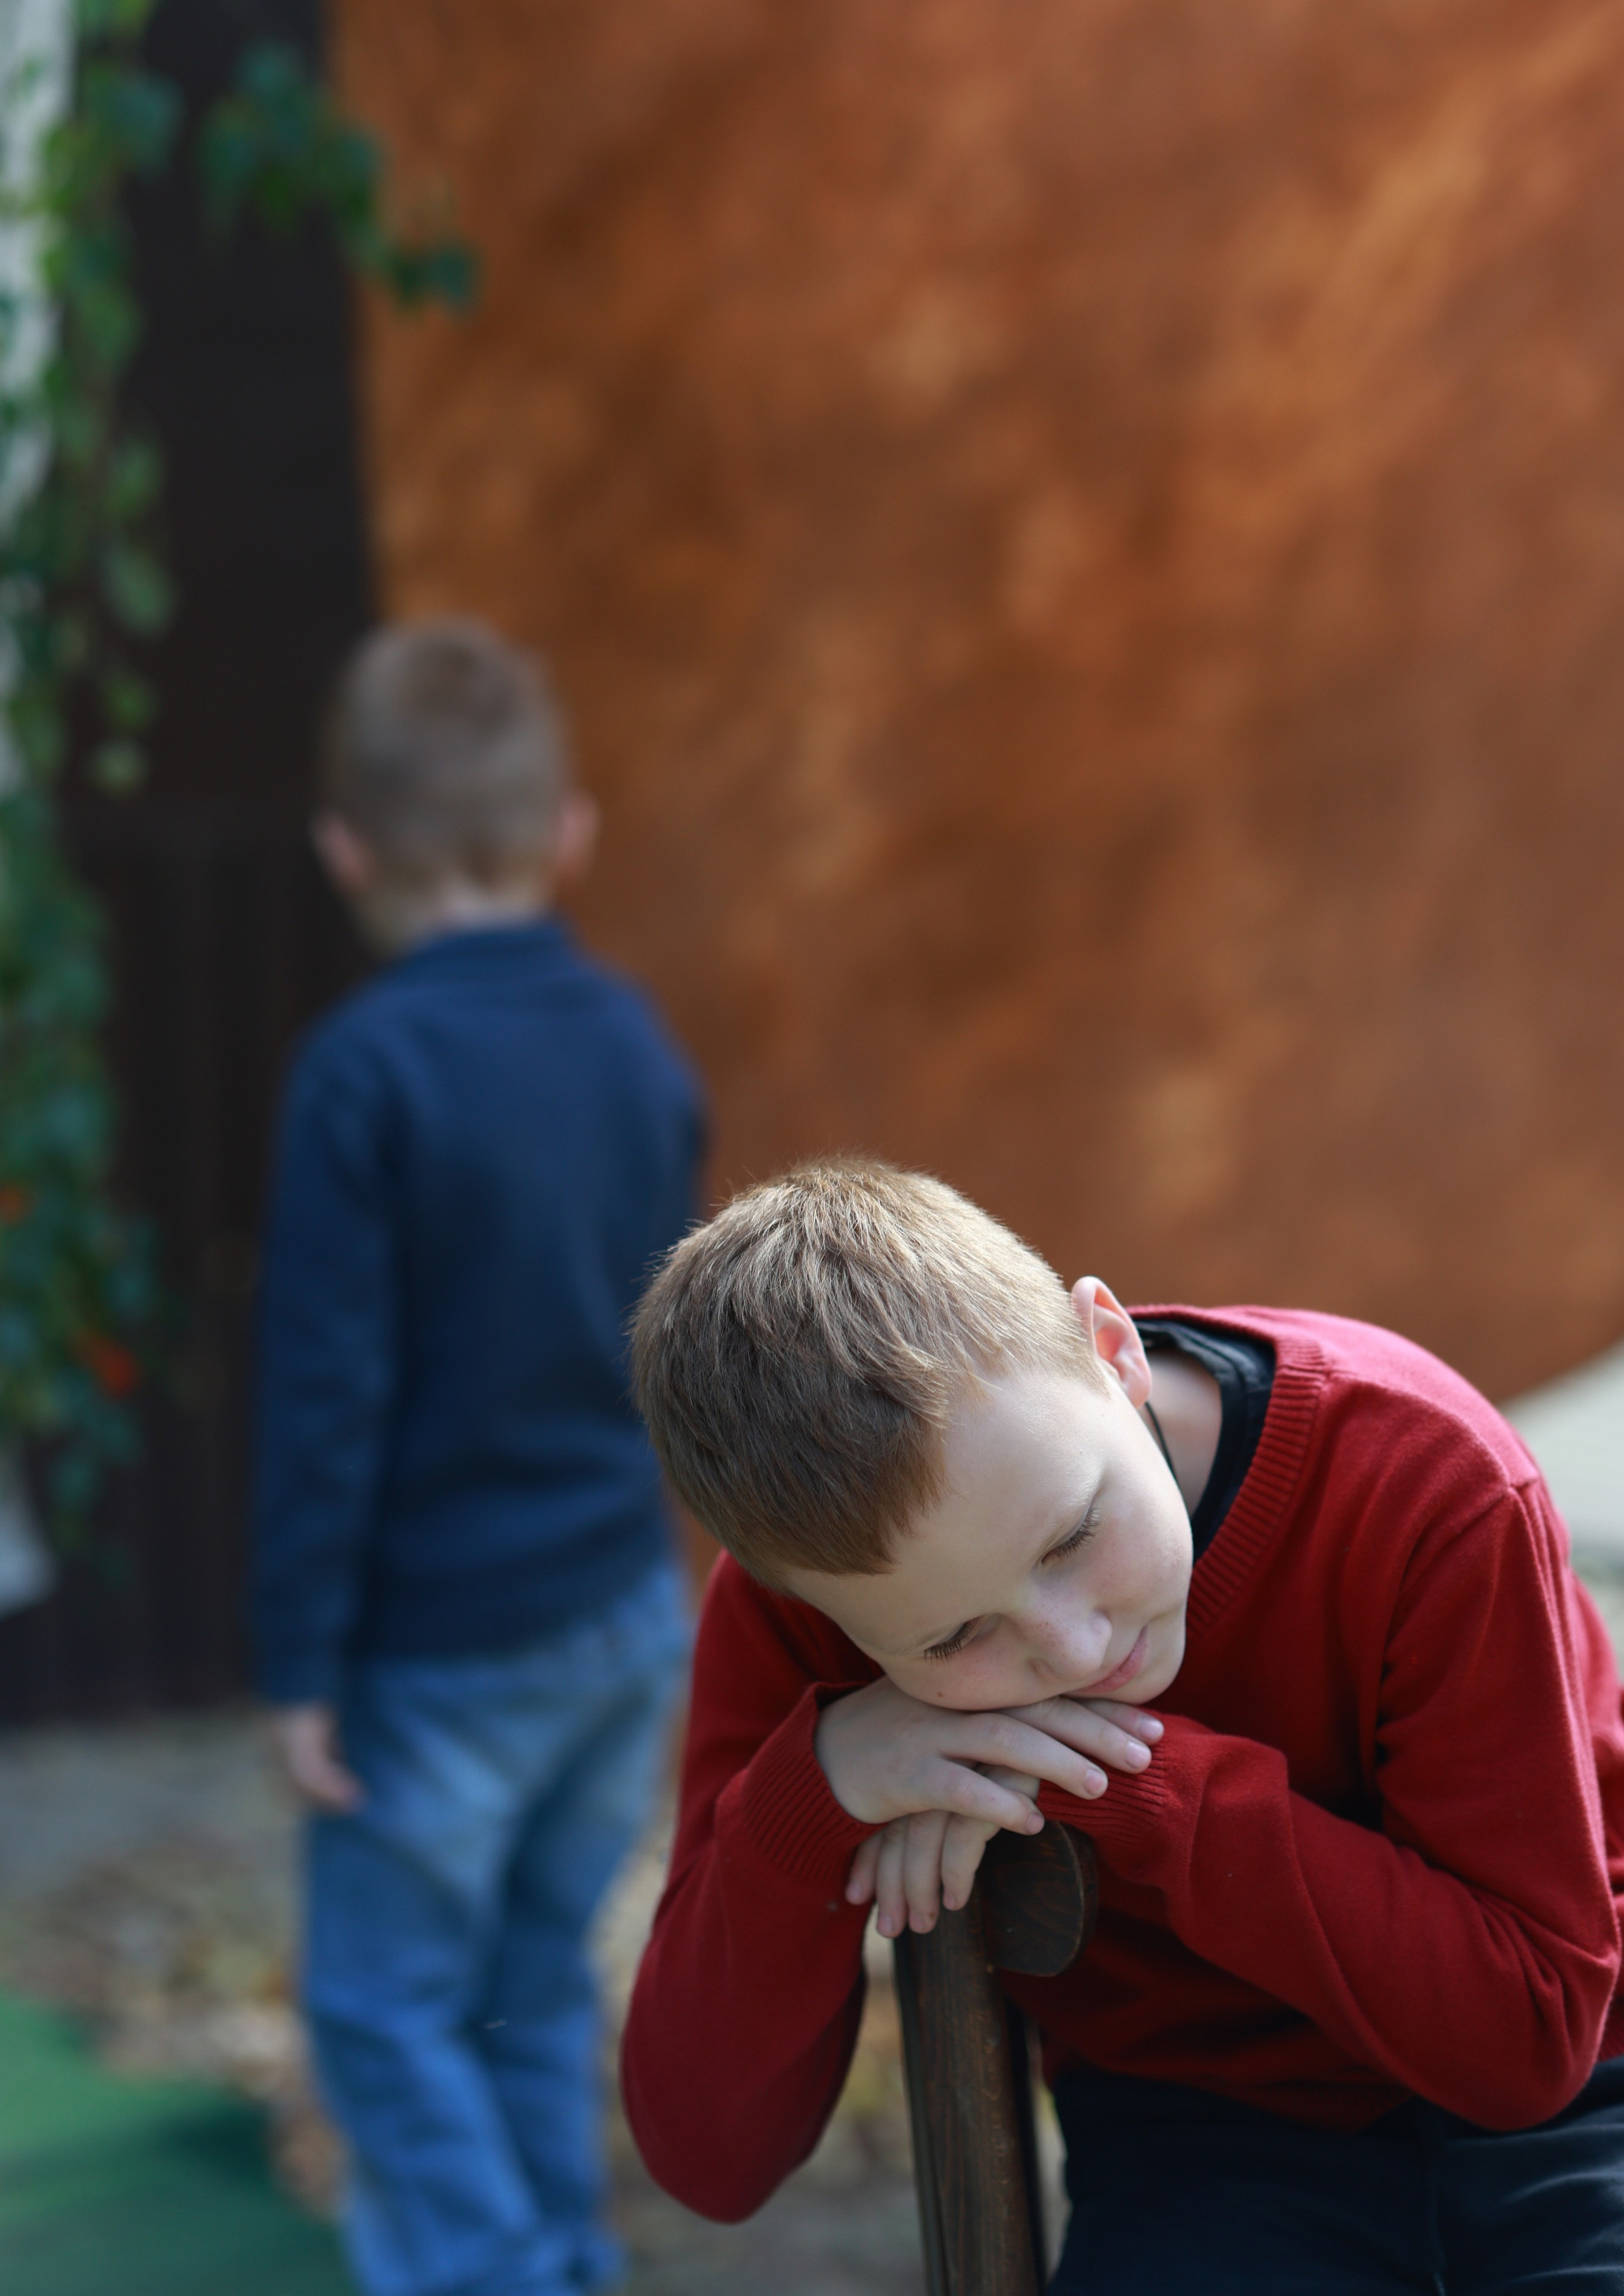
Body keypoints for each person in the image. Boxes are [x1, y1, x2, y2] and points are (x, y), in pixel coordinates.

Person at [621, 1159, 1624, 2294]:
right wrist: (811, 1799)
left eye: (1069, 1539)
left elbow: (1531, 2047)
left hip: (1585, 2088)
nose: (1077, 1651)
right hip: (1204, 2128)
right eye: (953, 1645)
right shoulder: (811, 1590)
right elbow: (708, 2158)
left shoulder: (1422, 1477)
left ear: (1114, 1350)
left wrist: (1125, 1783)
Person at [252, 617, 705, 2296]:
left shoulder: (361, 1075)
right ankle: (554, 2259)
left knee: (382, 2004)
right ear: (567, 829)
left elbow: (325, 1399)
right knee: (532, 1974)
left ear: (345, 849)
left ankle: (497, 2275)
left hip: (437, 1646)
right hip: (615, 1614)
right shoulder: (635, 1045)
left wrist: (298, 1664)